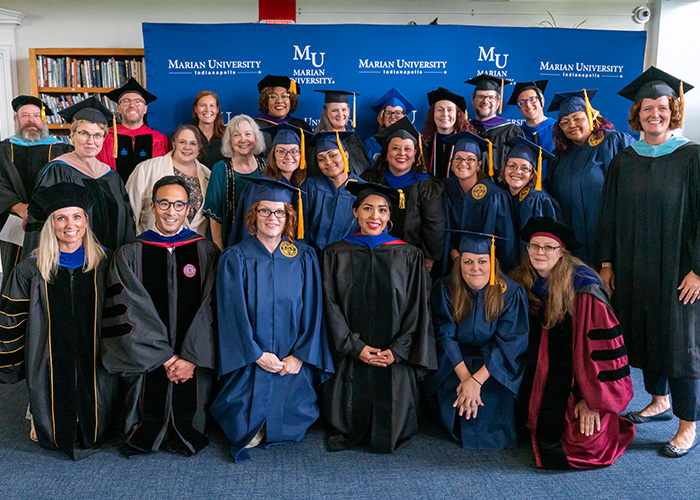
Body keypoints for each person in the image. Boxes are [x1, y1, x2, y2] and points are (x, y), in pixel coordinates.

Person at [598, 67, 700, 458]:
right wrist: (606, 263)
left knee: (681, 346)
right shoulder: (625, 159)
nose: (653, 114)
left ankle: (689, 425)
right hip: (635, 266)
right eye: (646, 108)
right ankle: (659, 400)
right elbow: (608, 213)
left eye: (661, 107)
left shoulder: (691, 157)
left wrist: (698, 269)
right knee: (645, 333)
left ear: (673, 110)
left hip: (679, 272)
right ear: (636, 114)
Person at [211, 178, 333, 462]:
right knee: (242, 423)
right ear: (253, 215)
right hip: (249, 359)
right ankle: (253, 424)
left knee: (292, 412)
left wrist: (300, 356)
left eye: (279, 212)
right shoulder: (236, 256)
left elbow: (314, 310)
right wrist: (255, 354)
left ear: (289, 216)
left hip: (291, 359)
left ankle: (278, 423)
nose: (272, 218)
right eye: (264, 211)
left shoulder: (304, 256)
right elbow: (231, 314)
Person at [101, 176, 219, 456]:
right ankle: (144, 427)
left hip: (194, 360)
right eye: (164, 203)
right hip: (148, 360)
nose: (171, 211)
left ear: (188, 208)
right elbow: (127, 309)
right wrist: (165, 357)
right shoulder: (130, 253)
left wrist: (190, 357)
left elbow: (212, 307)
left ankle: (187, 425)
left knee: (191, 407)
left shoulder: (206, 251)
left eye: (179, 204)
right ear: (152, 207)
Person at [0, 182, 116, 460]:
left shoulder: (106, 262)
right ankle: (38, 416)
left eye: (76, 216)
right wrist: (14, 366)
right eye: (60, 218)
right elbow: (12, 321)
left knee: (98, 417)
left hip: (96, 355)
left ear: (86, 220)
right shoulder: (30, 270)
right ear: (50, 224)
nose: (69, 225)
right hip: (48, 356)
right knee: (51, 412)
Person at [511, 217, 634, 470]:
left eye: (548, 247)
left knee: (584, 447)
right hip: (535, 379)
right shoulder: (523, 279)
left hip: (580, 387)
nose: (540, 252)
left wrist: (592, 402)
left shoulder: (583, 288)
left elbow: (606, 353)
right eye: (534, 246)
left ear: (562, 252)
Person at [321, 181, 436, 453]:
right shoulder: (335, 253)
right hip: (350, 356)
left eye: (382, 210)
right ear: (355, 212)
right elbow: (330, 305)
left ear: (389, 216)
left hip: (394, 359)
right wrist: (354, 347)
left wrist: (398, 351)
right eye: (368, 209)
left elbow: (417, 308)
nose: (375, 217)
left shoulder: (408, 254)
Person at [423, 231, 528, 449]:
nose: (475, 268)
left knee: (492, 395)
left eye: (482, 261)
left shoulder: (510, 293)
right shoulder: (445, 289)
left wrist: (476, 381)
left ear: (492, 262)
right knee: (454, 394)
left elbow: (510, 343)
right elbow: (444, 335)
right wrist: (465, 379)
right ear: (458, 262)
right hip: (455, 361)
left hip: (494, 364)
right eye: (467, 261)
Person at [23, 97, 135, 258]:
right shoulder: (57, 170)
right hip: (71, 263)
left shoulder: (111, 175)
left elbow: (127, 223)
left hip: (111, 261)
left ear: (104, 139)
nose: (91, 141)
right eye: (84, 133)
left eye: (98, 135)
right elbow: (42, 224)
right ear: (72, 135)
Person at [545, 89, 633, 265]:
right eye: (565, 122)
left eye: (577, 118)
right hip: (573, 244)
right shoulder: (559, 158)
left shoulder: (613, 142)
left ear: (591, 116)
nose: (571, 124)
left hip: (609, 239)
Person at [0, 95, 72, 290]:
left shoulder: (62, 149)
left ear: (43, 119)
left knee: (55, 273)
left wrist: (41, 211)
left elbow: (68, 184)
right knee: (14, 273)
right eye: (25, 115)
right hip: (14, 221)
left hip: (53, 220)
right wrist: (18, 207)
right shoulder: (3, 149)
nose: (31, 120)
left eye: (35, 115)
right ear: (16, 119)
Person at [361, 117, 446, 272]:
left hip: (412, 260)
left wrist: (429, 258)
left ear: (415, 154)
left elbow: (434, 225)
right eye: (395, 148)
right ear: (386, 153)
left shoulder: (425, 185)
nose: (401, 153)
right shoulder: (370, 179)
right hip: (372, 256)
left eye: (407, 149)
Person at [442, 131, 517, 273]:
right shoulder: (445, 188)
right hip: (453, 262)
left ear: (478, 165)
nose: (463, 163)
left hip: (484, 267)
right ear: (451, 164)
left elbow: (505, 243)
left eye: (470, 159)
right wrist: (454, 253)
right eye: (458, 158)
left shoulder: (494, 195)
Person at [229, 123, 307, 246]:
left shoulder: (299, 184)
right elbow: (249, 228)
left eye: (294, 151)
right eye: (281, 151)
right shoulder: (261, 185)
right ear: (273, 154)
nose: (288, 156)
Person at [126, 125, 210, 237]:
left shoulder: (208, 175)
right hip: (153, 244)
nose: (187, 147)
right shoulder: (146, 169)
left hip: (194, 246)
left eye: (193, 143)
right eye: (182, 142)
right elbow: (130, 211)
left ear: (199, 147)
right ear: (174, 144)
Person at [203, 114, 266, 249]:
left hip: (260, 246)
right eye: (236, 135)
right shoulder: (220, 169)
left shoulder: (266, 167)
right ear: (229, 140)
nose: (243, 140)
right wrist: (219, 250)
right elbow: (214, 216)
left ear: (256, 137)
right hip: (227, 243)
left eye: (248, 134)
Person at [97, 78, 169, 183]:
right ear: (118, 108)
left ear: (145, 109)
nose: (132, 105)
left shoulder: (160, 139)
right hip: (113, 195)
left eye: (138, 101)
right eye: (126, 101)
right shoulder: (106, 137)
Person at [305, 131, 365, 253]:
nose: (328, 162)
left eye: (333, 155)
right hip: (315, 258)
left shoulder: (363, 190)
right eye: (321, 159)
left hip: (350, 260)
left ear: (346, 155)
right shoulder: (310, 187)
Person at [500, 136, 558, 260]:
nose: (517, 171)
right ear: (504, 168)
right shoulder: (503, 196)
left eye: (524, 168)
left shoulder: (535, 200)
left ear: (532, 174)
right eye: (511, 165)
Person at [466, 74, 524, 175]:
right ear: (473, 100)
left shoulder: (512, 132)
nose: (485, 101)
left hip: (501, 189)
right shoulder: (465, 129)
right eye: (480, 97)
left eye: (491, 97)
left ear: (498, 102)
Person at [307, 90, 369, 176]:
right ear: (326, 112)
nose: (340, 114)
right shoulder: (319, 141)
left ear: (349, 110)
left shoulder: (354, 138)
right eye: (335, 110)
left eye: (344, 109)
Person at [421, 87, 474, 179]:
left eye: (450, 110)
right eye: (440, 109)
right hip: (429, 191)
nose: (445, 114)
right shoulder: (424, 144)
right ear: (432, 114)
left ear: (457, 115)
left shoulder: (466, 144)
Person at [507, 80, 555, 180]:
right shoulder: (517, 134)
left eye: (532, 99)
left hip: (556, 186)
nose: (528, 105)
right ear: (519, 108)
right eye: (522, 102)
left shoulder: (558, 128)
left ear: (542, 101)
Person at [254, 74, 312, 155]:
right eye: (273, 97)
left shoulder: (302, 126)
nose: (279, 101)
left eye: (284, 96)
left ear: (291, 100)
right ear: (265, 101)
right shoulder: (255, 127)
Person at [364, 87, 416, 166]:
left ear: (404, 116)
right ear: (382, 116)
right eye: (388, 113)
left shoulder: (414, 141)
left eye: (398, 113)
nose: (393, 116)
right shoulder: (371, 143)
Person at [192, 90, 225, 169]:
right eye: (203, 105)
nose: (207, 109)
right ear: (196, 109)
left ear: (217, 109)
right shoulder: (188, 136)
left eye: (212, 105)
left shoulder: (228, 135)